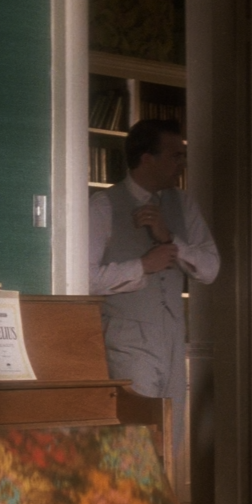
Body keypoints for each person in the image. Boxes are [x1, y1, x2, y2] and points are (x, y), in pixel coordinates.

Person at [89, 119, 219, 474]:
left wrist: (170, 239)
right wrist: (142, 266)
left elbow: (210, 268)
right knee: (134, 443)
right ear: (147, 158)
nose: (182, 164)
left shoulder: (183, 205)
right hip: (126, 338)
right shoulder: (103, 206)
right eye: (176, 156)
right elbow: (83, 280)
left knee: (169, 440)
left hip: (173, 338)